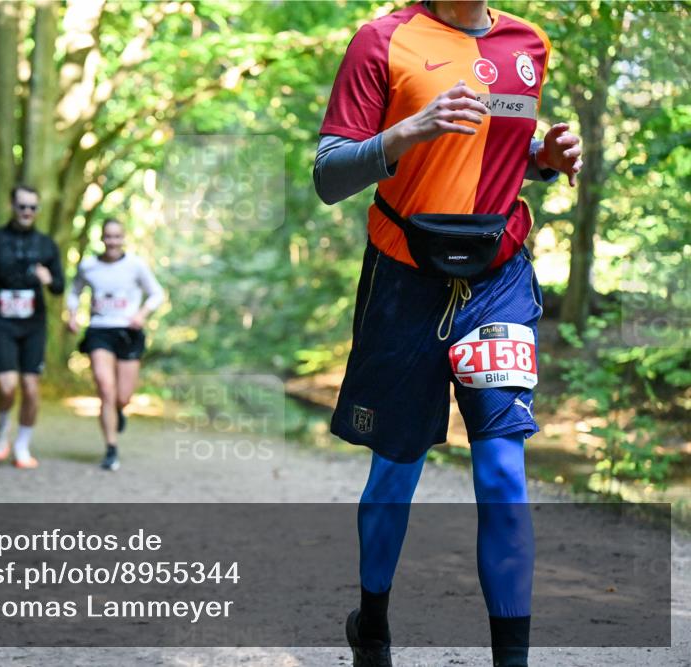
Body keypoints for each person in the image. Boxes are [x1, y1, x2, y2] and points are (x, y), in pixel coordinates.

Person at [313, 2, 582, 666]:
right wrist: (407, 132)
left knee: (501, 469)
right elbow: (329, 174)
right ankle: (371, 622)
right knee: (395, 471)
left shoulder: (529, 42)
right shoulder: (382, 39)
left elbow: (495, 151)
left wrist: (543, 157)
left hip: (497, 274)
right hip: (404, 276)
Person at [0, 185, 64, 469]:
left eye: (32, 207)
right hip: (2, 321)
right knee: (7, 386)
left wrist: (49, 279)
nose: (27, 212)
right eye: (22, 206)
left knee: (31, 389)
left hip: (33, 324)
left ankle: (22, 445)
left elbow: (60, 286)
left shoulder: (46, 245)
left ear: (38, 210)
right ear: (12, 205)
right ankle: (2, 427)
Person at [67, 219, 165, 471]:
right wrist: (72, 314)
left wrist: (141, 314)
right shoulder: (88, 266)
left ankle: (119, 410)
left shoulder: (135, 265)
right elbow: (74, 291)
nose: (112, 242)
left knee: (122, 396)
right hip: (99, 331)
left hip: (128, 332)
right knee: (105, 387)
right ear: (101, 238)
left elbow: (157, 293)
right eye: (108, 237)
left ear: (124, 238)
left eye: (117, 237)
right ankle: (111, 447)